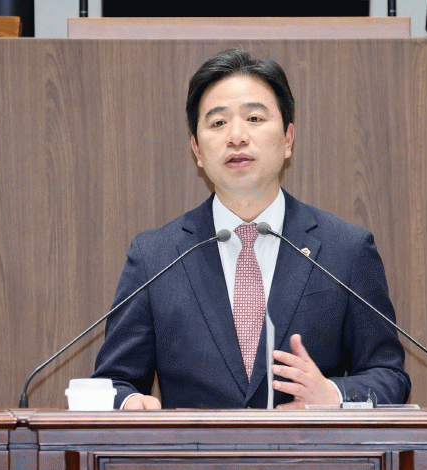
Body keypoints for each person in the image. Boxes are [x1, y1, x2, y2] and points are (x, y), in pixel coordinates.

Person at [92, 49, 410, 409]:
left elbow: (389, 376)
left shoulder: (346, 250)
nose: (237, 136)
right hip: (191, 448)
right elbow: (112, 382)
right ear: (197, 150)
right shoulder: (155, 258)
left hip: (310, 448)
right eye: (218, 123)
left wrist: (334, 396)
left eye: (254, 118)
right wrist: (129, 403)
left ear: (288, 139)